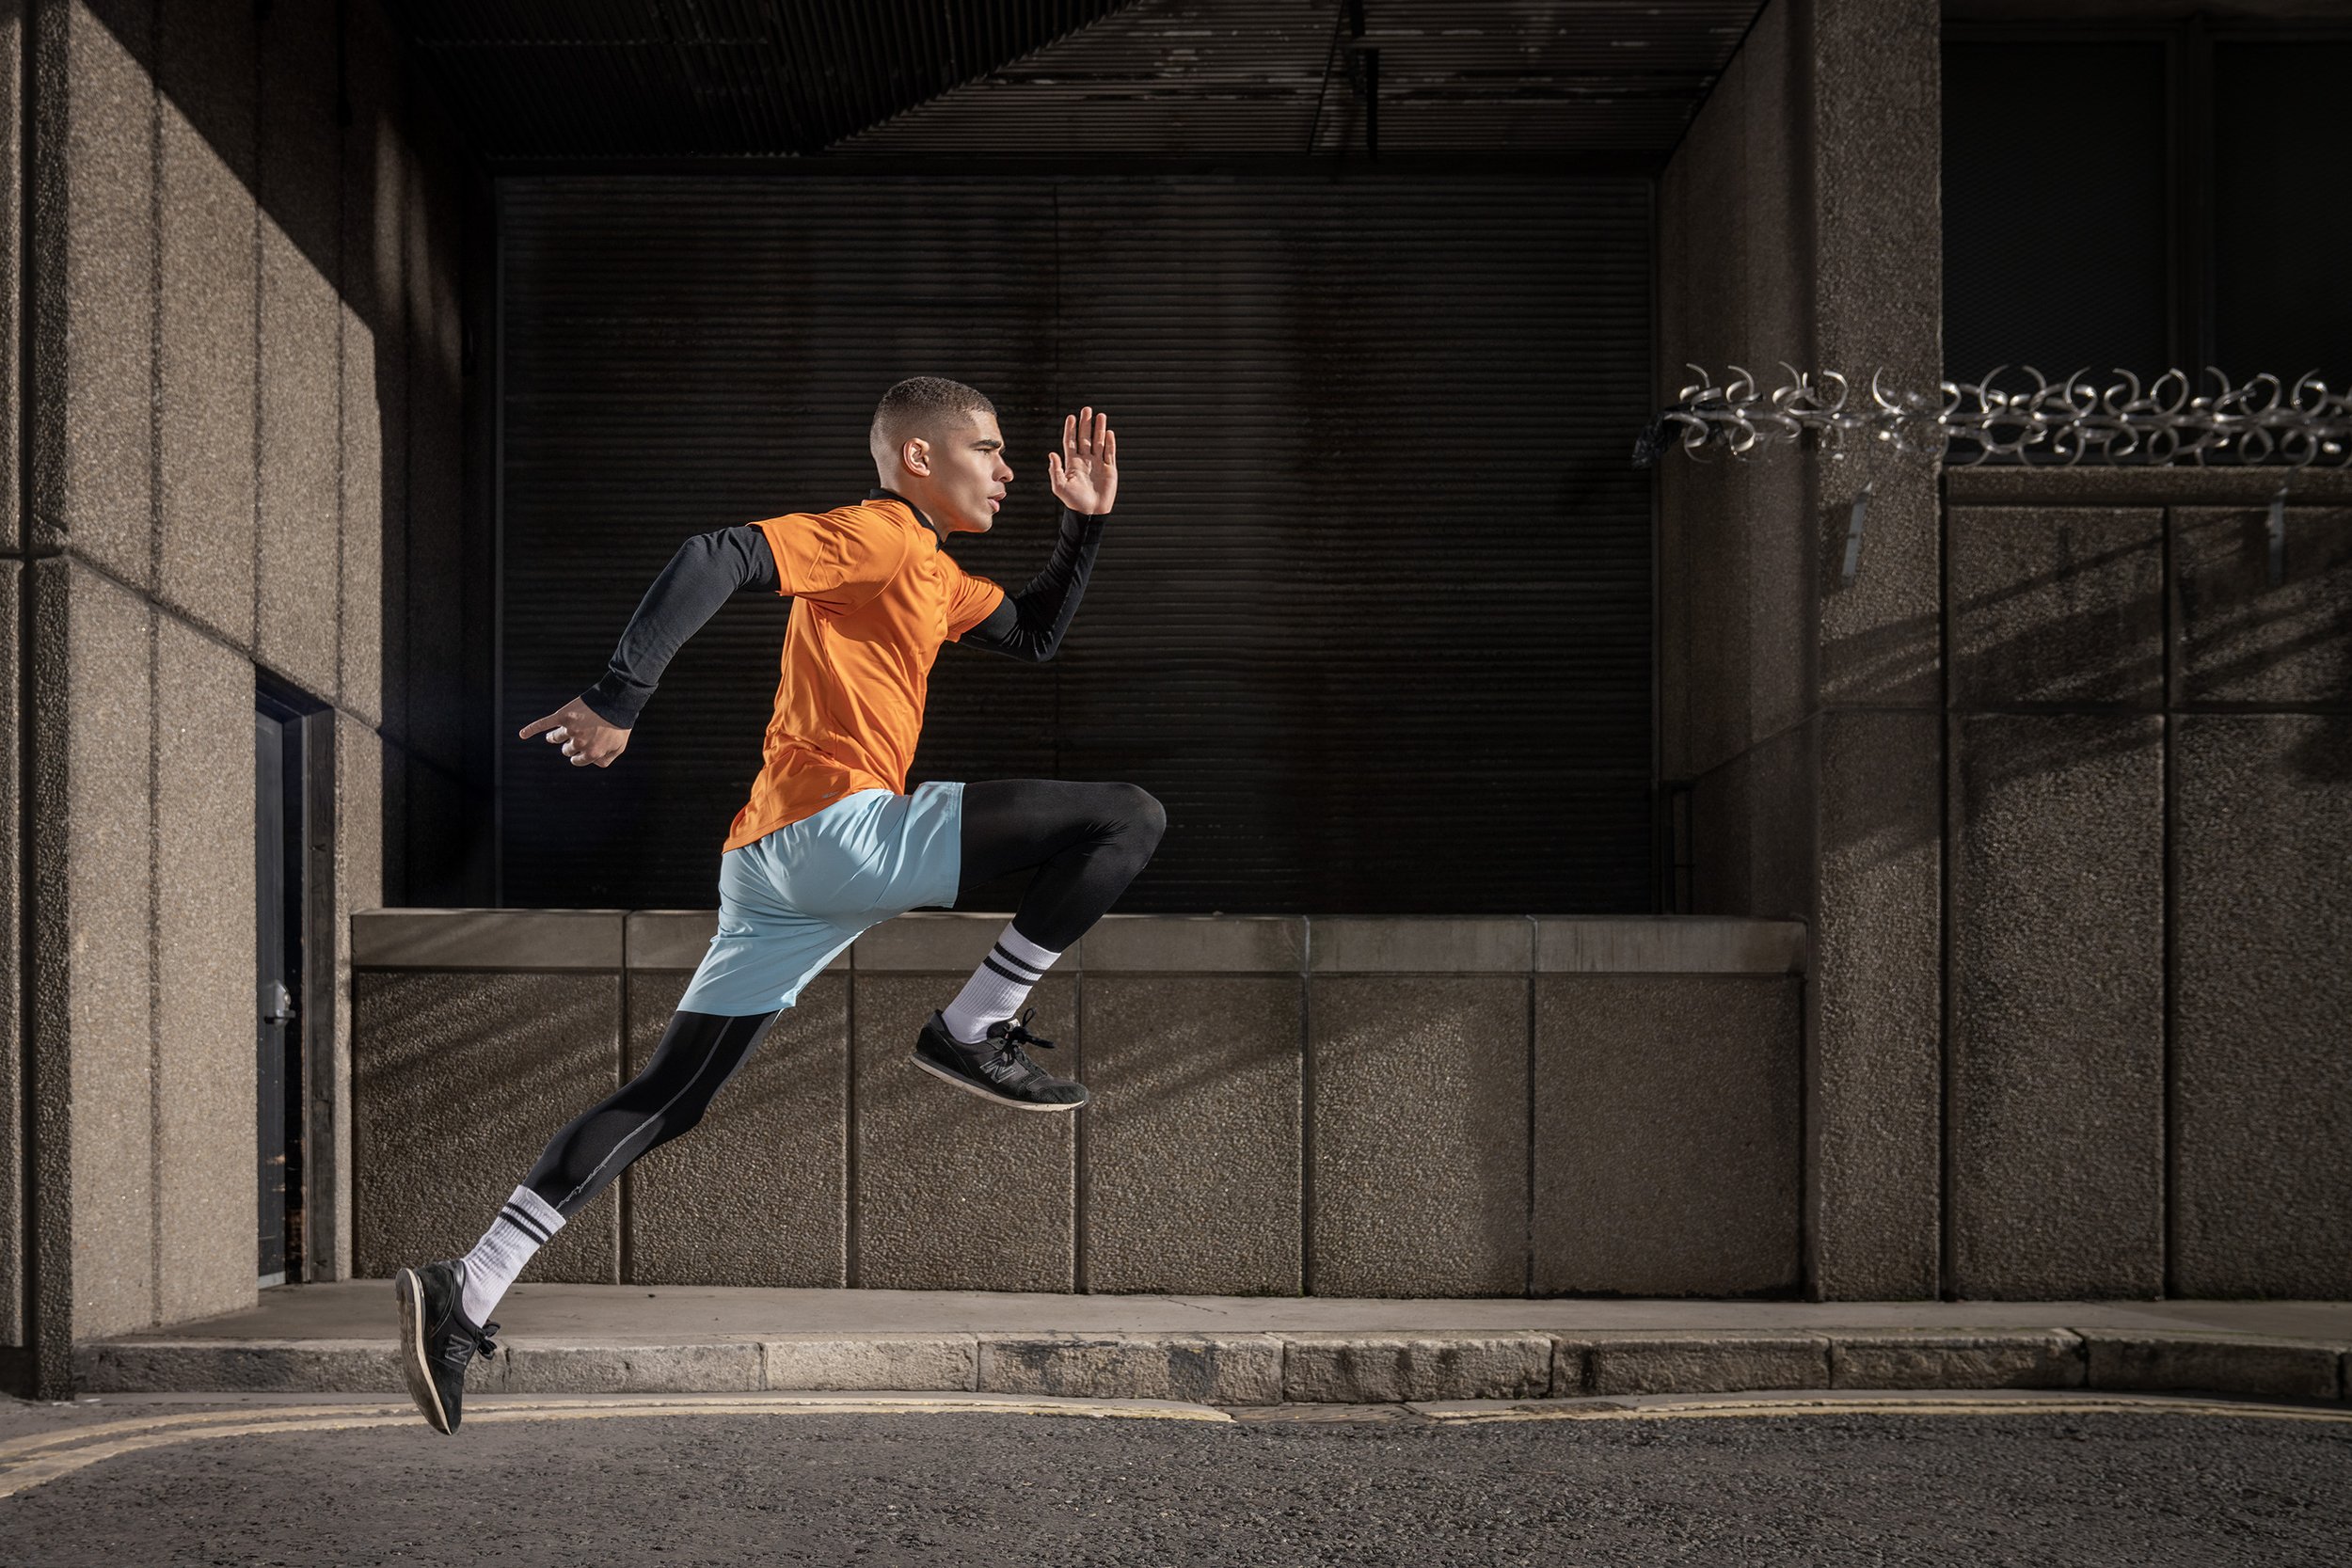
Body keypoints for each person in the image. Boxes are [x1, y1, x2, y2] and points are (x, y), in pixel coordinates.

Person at [393, 376, 1163, 1434]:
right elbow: (720, 553)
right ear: (919, 460)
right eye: (988, 449)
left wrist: (1083, 527)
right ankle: (973, 1024)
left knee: (675, 1093)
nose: (1008, 469)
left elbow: (1030, 633)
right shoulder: (881, 533)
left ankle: (464, 1288)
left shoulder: (930, 571)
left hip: (770, 865)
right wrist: (621, 696)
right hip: (834, 831)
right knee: (1126, 817)